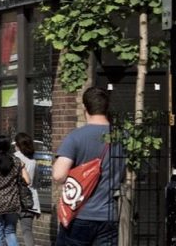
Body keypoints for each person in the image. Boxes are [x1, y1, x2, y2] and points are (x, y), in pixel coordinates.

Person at [52, 87, 126, 246]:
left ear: (85, 108)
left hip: (80, 214)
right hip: (109, 215)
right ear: (106, 108)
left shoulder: (75, 137)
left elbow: (58, 175)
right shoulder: (122, 137)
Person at [13, 133, 40, 246]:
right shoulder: (33, 161)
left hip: (14, 198)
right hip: (30, 200)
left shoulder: (14, 157)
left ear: (18, 145)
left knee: (10, 231)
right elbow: (36, 182)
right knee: (27, 232)